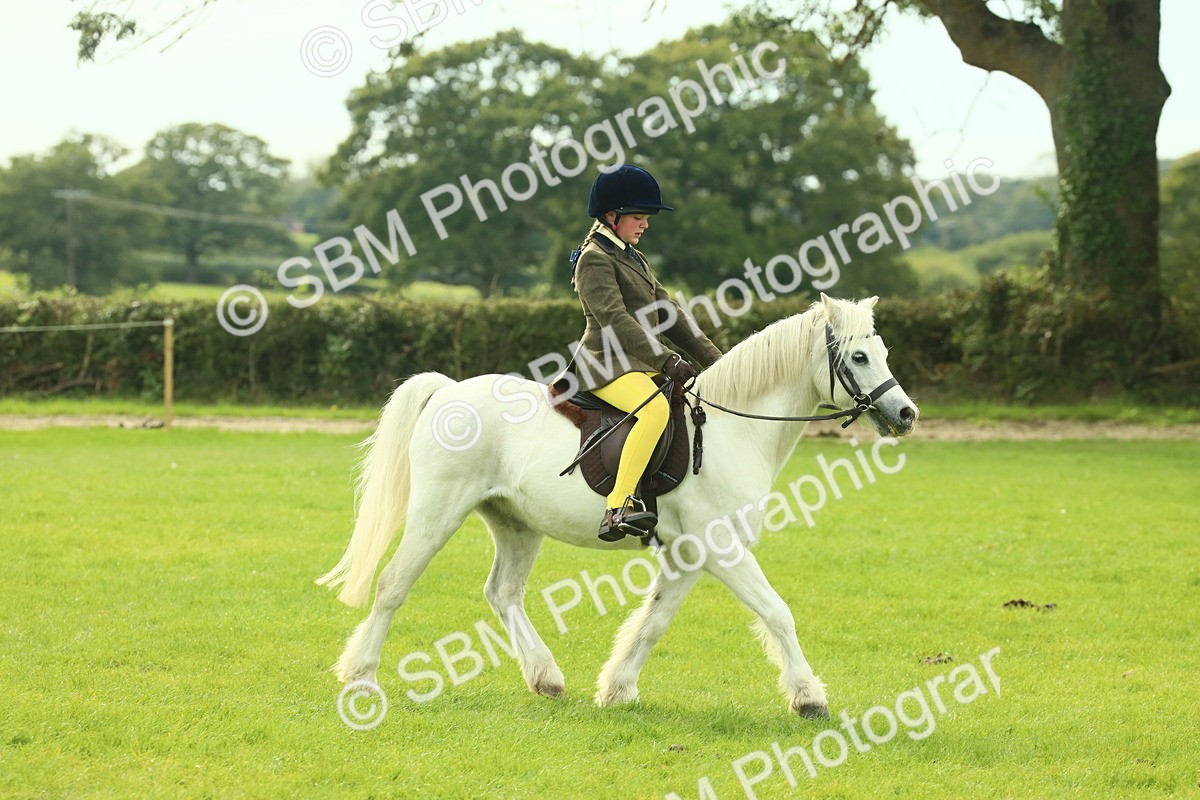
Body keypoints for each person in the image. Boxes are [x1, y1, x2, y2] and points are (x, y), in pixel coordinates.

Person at [567, 164, 723, 541]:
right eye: (638, 217)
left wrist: (720, 363)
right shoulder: (594, 258)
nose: (645, 224)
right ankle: (617, 506)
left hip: (636, 364)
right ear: (611, 216)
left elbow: (670, 315)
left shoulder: (632, 256)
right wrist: (666, 360)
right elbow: (616, 320)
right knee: (652, 408)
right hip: (603, 366)